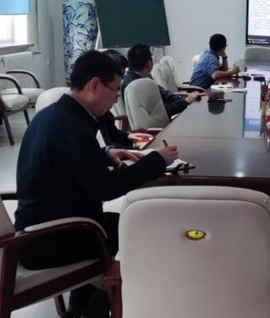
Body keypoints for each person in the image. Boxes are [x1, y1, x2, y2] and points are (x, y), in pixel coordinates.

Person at [15, 50, 179, 318]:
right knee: (139, 231)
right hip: (53, 238)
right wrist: (157, 160)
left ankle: (79, 307)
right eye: (115, 90)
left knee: (124, 224)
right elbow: (107, 187)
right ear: (94, 85)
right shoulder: (74, 128)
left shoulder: (52, 115)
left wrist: (104, 153)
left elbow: (66, 159)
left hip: (36, 228)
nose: (116, 98)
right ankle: (96, 310)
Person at [124, 44, 203, 117]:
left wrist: (185, 98)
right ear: (149, 63)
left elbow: (165, 94)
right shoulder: (140, 85)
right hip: (161, 125)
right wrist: (185, 101)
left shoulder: (138, 77)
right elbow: (162, 112)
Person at [101, 49, 152, 148]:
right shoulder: (89, 113)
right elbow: (106, 147)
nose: (122, 79)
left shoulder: (103, 111)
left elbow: (113, 134)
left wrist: (129, 136)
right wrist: (136, 146)